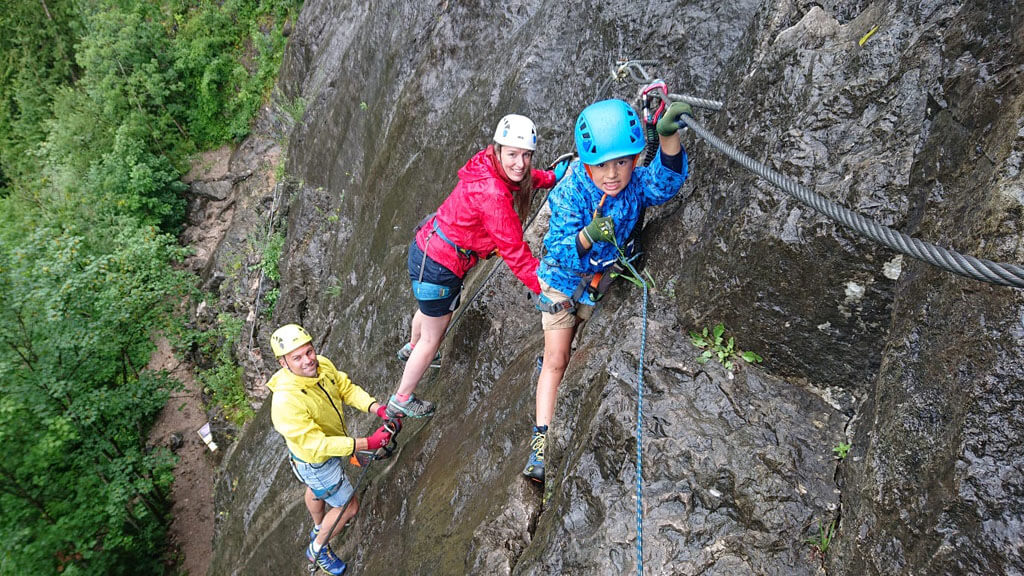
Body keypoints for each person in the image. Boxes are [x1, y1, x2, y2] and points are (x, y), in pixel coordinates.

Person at [523, 98, 692, 482]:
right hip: (562, 284)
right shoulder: (572, 193)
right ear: (586, 165)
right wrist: (586, 236)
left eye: (622, 162)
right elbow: (556, 251)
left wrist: (667, 139)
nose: (612, 174)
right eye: (602, 165)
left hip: (597, 284)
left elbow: (666, 183)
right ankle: (540, 445)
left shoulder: (633, 184)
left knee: (578, 345)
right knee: (557, 360)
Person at [388, 114, 570, 418]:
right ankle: (402, 397)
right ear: (498, 150)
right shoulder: (493, 196)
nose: (520, 162)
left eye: (526, 155)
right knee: (434, 337)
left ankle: (411, 347)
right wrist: (545, 287)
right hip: (440, 267)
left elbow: (520, 176)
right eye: (513, 154)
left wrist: (549, 178)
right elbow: (515, 252)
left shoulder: (485, 163)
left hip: (425, 249)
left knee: (427, 310)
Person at [267, 323, 395, 575]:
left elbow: (345, 389)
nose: (308, 360)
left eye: (309, 352)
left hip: (313, 459)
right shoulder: (285, 402)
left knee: (315, 490)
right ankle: (318, 549)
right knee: (349, 508)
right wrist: (367, 443)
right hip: (317, 459)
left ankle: (319, 526)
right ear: (284, 363)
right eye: (297, 357)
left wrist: (376, 408)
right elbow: (318, 445)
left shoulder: (322, 365)